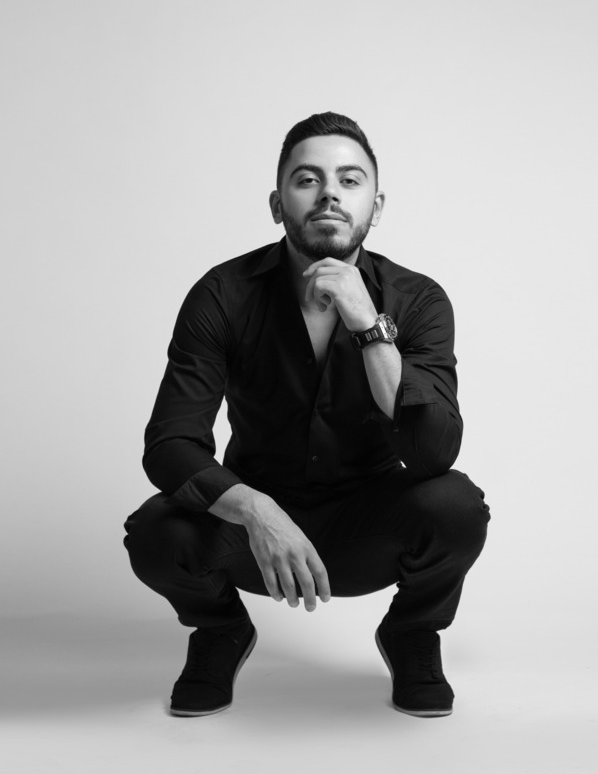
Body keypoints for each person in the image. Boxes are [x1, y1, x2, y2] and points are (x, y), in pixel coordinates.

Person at [123, 111, 490, 719]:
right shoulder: (223, 293)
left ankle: (411, 633)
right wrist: (256, 510)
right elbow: (169, 443)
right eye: (307, 179)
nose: (329, 195)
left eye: (349, 180)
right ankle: (220, 630)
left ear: (375, 207)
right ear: (277, 204)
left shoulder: (418, 300)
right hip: (255, 532)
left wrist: (367, 324)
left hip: (368, 526)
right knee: (156, 531)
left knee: (457, 507)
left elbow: (432, 452)